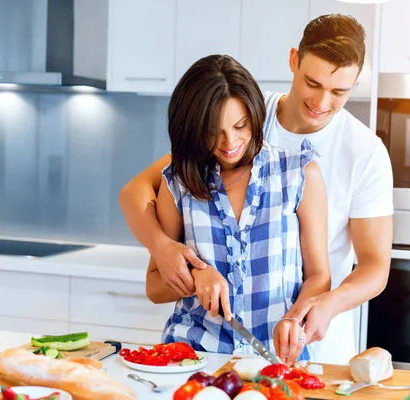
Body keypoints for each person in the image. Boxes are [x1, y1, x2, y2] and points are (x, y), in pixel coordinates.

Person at [120, 14, 393, 365]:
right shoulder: (240, 109)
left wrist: (323, 304)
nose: (322, 102)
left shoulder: (361, 152)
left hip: (308, 337)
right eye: (313, 83)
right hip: (201, 353)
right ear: (294, 60)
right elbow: (143, 188)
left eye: (340, 91)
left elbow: (373, 267)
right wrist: (165, 249)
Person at [144, 54, 331, 366]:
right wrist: (196, 276)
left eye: (240, 125)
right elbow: (154, 285)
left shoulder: (298, 174)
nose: (229, 142)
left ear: (255, 115)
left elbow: (319, 276)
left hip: (277, 361)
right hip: (193, 358)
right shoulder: (178, 183)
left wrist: (295, 319)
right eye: (212, 131)